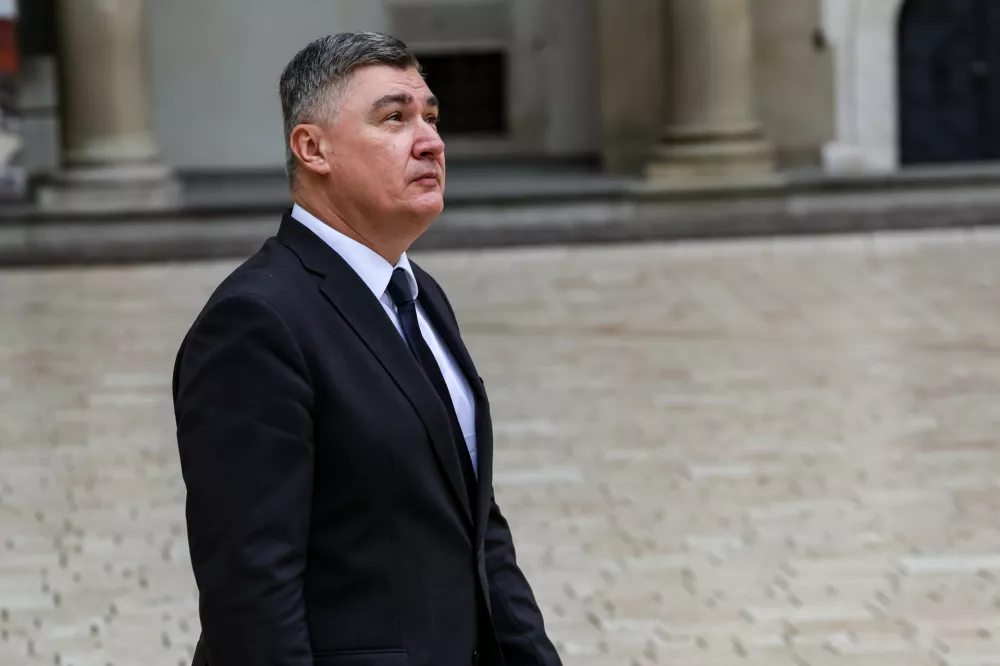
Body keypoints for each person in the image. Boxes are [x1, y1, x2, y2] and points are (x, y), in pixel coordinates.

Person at [172, 32, 563, 666]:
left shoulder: (419, 294)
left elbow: (476, 526)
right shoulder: (256, 323)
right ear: (312, 148)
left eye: (431, 117)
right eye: (394, 118)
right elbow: (251, 590)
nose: (431, 140)